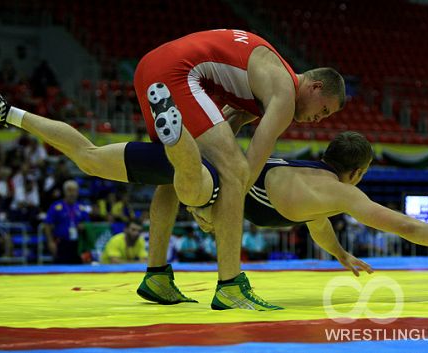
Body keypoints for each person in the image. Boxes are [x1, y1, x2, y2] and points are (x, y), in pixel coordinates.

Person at [0, 92, 428, 309]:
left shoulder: (311, 183)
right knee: (198, 192)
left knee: (85, 155)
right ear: (359, 170)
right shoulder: (341, 193)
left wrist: (341, 256)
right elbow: (401, 225)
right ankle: (179, 144)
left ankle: (8, 113)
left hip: (213, 165)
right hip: (210, 183)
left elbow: (319, 224)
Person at [133, 29, 345, 310]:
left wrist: (212, 200)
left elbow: (222, 132)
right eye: (325, 110)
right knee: (236, 170)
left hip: (150, 66)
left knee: (177, 165)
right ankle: (230, 284)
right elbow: (248, 168)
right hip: (177, 71)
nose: (319, 119)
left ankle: (156, 275)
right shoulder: (283, 95)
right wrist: (212, 210)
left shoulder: (264, 83)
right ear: (315, 86)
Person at [43, 180, 89, 264]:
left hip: (77, 244)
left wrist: (83, 226)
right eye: (69, 190)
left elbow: (88, 224)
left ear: (77, 192)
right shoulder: (56, 207)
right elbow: (47, 224)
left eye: (74, 190)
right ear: (64, 192)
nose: (72, 193)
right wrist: (50, 242)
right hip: (61, 243)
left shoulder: (81, 208)